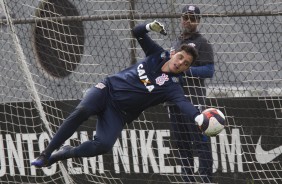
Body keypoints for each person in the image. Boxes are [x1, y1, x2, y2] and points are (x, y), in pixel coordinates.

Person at [31, 20, 208, 168]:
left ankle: (64, 153)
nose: (180, 63)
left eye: (186, 63)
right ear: (174, 54)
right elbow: (137, 32)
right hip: (106, 90)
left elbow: (183, 103)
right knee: (83, 110)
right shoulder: (157, 54)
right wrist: (148, 27)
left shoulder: (173, 86)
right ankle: (45, 154)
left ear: (187, 68)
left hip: (118, 113)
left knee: (103, 146)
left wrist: (198, 117)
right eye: (180, 57)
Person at [167, 5, 215, 183]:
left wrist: (185, 70)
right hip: (174, 101)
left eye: (192, 18)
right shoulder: (176, 42)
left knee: (200, 142)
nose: (188, 20)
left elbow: (209, 70)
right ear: (181, 18)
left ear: (198, 21)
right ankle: (187, 178)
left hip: (194, 101)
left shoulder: (202, 43)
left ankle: (205, 179)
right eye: (185, 17)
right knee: (181, 143)